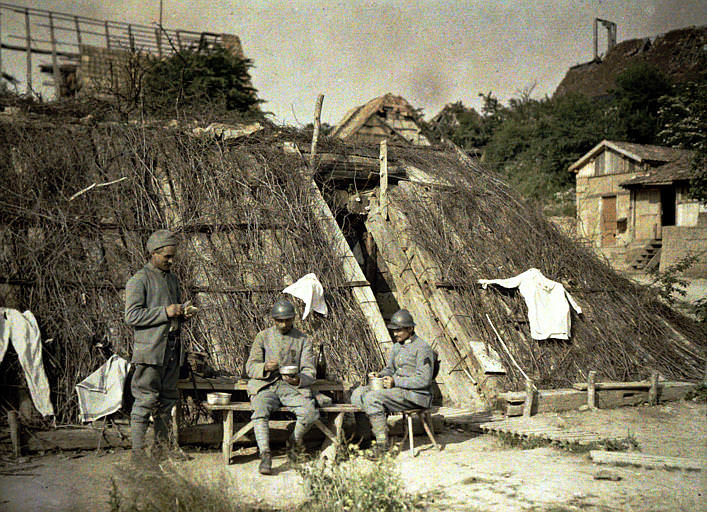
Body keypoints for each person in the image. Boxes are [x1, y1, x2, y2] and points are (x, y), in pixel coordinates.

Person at [124, 229, 192, 465]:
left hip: (171, 349)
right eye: (167, 257)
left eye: (173, 256)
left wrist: (182, 313)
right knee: (145, 400)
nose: (171, 261)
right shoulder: (139, 280)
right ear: (153, 253)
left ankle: (161, 449)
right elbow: (131, 316)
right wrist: (165, 312)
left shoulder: (172, 279)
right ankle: (137, 454)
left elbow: (171, 312)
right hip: (150, 351)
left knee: (168, 400)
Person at [245, 298, 319, 475]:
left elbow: (310, 370)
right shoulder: (262, 337)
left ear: (293, 318)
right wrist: (265, 367)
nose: (284, 324)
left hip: (291, 387)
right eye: (280, 320)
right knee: (260, 410)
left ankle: (293, 442)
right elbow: (250, 367)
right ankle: (265, 454)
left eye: (287, 320)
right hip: (266, 385)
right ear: (273, 319)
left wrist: (298, 379)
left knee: (309, 413)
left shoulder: (303, 340)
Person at [350, 309, 436, 455]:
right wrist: (380, 374)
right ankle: (364, 440)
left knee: (372, 398)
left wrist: (395, 382)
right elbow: (390, 369)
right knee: (357, 393)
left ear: (410, 328)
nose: (395, 334)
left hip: (416, 395)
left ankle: (382, 446)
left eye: (399, 330)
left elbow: (424, 379)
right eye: (393, 330)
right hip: (398, 391)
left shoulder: (423, 348)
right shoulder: (397, 346)